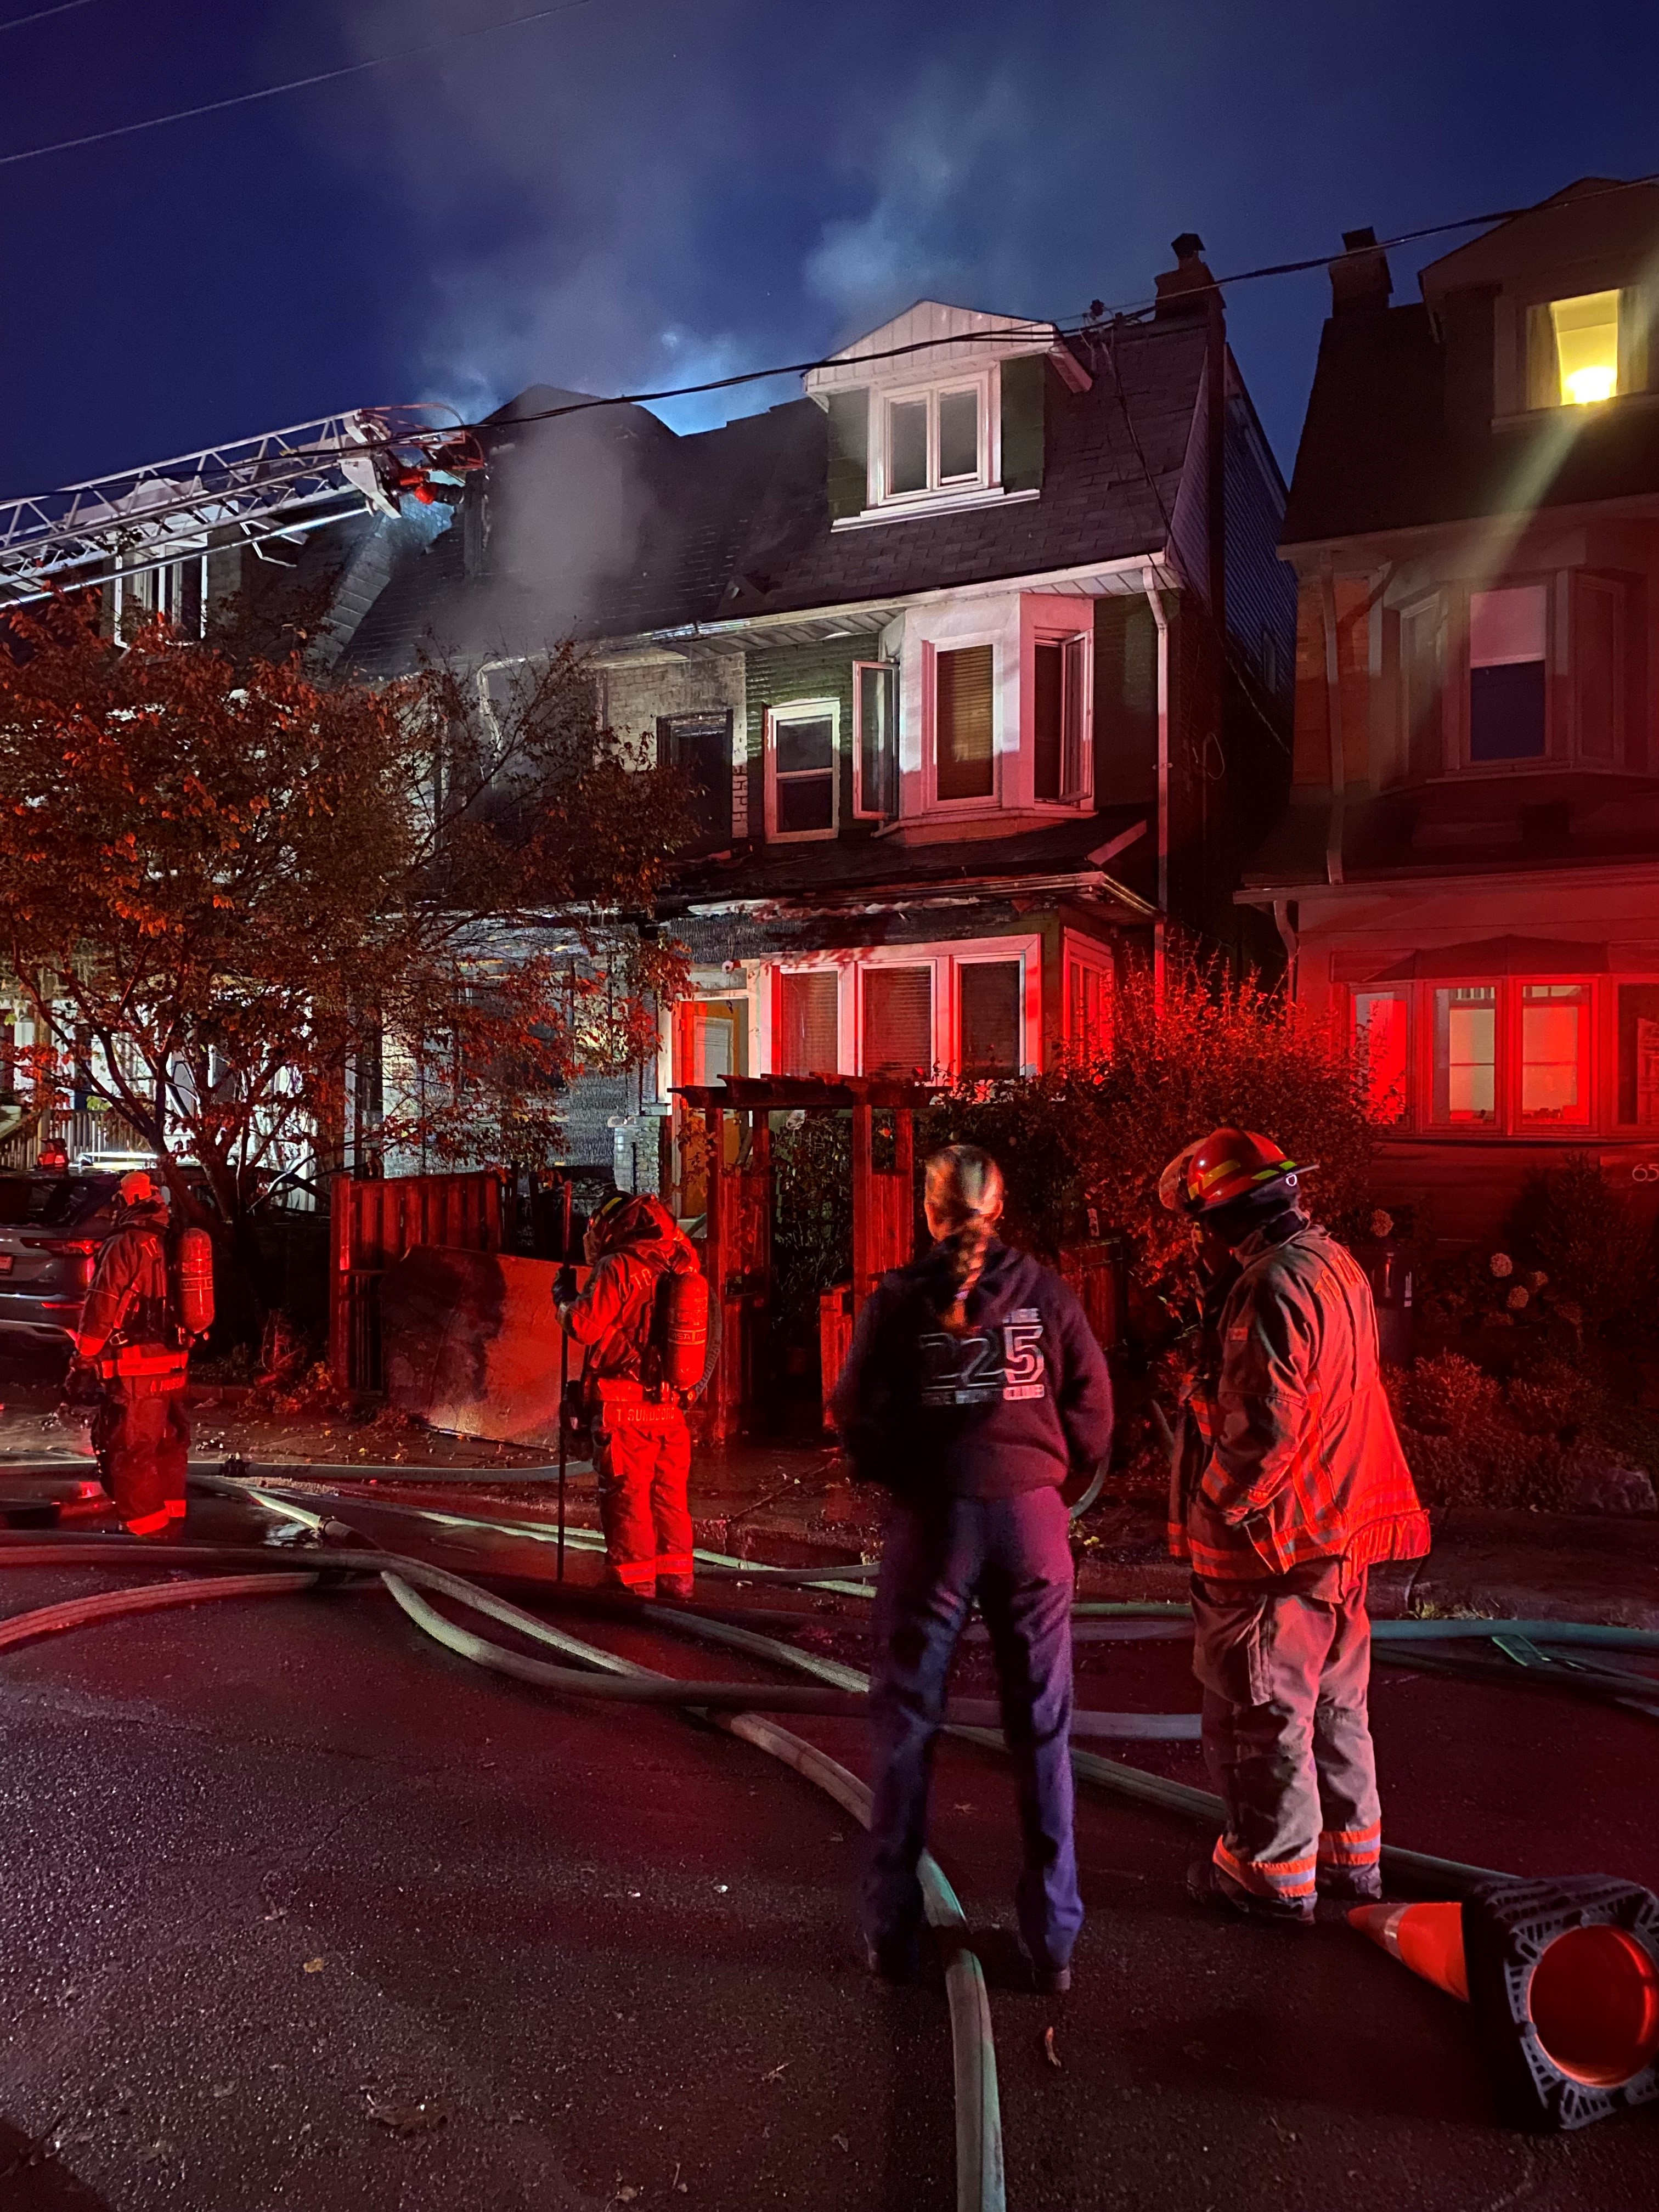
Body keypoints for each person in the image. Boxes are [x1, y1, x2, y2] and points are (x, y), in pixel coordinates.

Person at [833, 1144, 1114, 1993]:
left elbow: (855, 1412)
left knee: (908, 1728)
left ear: (928, 1210)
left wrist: (908, 1472)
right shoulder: (1050, 1294)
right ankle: (1053, 1943)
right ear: (1002, 1207)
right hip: (1032, 1527)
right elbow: (1095, 1413)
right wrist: (1043, 1471)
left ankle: (892, 1935)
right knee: (1043, 1730)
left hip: (934, 1528)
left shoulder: (898, 1302)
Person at [1159, 1126, 1430, 1927]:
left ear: (1227, 1219)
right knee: (1339, 1706)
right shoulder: (1333, 1263)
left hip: (1276, 1547)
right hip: (1339, 1530)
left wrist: (1219, 1505)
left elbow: (1264, 1428)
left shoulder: (1271, 1287)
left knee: (1261, 1709)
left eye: (1206, 1227)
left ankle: (1271, 1876)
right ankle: (1353, 1858)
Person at [555, 1192, 701, 1600]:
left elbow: (585, 1326)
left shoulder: (618, 1266)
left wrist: (562, 1299)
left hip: (624, 1409)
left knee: (628, 1499)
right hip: (670, 1408)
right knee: (670, 1499)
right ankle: (678, 1581)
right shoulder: (682, 1260)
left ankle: (633, 1587)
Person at [71, 1170, 191, 1539]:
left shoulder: (125, 1244)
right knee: (167, 1443)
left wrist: (83, 1358)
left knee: (132, 1449)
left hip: (136, 1367)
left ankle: (145, 1536)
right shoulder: (174, 1240)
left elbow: (101, 1305)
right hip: (175, 1363)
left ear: (125, 1202)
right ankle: (172, 1521)